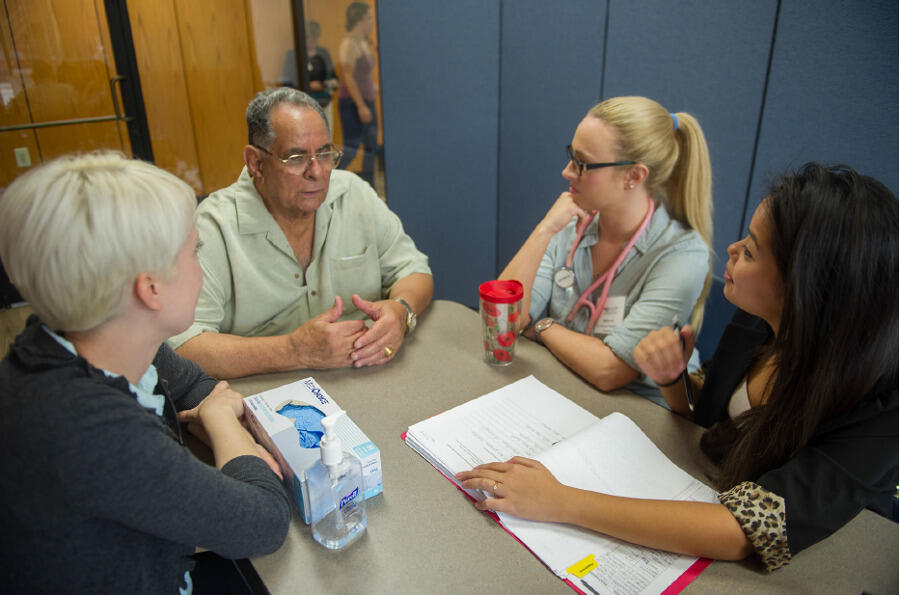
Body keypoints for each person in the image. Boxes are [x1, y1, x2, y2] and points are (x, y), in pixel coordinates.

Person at [459, 163, 898, 571]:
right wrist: (674, 382)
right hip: (708, 479)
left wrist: (560, 501)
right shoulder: (758, 319)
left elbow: (747, 530)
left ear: (803, 288)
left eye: (751, 250)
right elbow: (714, 422)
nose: (732, 249)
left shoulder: (878, 406)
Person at [0, 152, 291, 593]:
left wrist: (214, 412)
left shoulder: (100, 336)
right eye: (194, 252)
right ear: (150, 288)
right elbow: (264, 523)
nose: (201, 267)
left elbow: (196, 384)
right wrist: (219, 423)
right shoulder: (87, 429)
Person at [167, 87, 432, 379]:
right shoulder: (214, 226)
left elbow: (415, 270)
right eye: (295, 157)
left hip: (366, 373)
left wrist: (401, 311)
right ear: (256, 163)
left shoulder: (354, 193)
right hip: (266, 393)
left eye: (325, 153)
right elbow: (182, 345)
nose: (316, 172)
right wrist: (293, 351)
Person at [500, 96, 712, 407]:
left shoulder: (682, 254)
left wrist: (542, 326)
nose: (566, 172)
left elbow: (610, 370)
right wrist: (544, 229)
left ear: (634, 176)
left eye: (582, 163)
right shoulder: (572, 221)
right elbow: (504, 319)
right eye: (570, 156)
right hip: (565, 387)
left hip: (640, 413)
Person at [337, 2, 379, 187]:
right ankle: (329, 180)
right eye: (369, 18)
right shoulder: (349, 44)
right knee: (352, 148)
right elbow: (347, 76)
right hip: (353, 104)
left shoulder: (364, 42)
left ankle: (369, 189)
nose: (372, 22)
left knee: (371, 147)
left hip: (368, 100)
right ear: (360, 20)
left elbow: (364, 75)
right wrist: (361, 105)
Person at [304, 20, 338, 133]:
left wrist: (323, 85)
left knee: (327, 137)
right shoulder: (294, 54)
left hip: (324, 102)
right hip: (305, 106)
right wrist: (308, 86)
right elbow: (288, 84)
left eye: (315, 38)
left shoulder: (323, 53)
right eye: (310, 38)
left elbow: (334, 81)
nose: (313, 41)